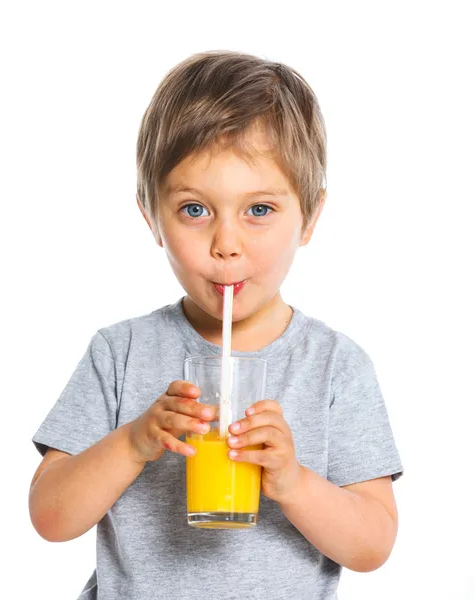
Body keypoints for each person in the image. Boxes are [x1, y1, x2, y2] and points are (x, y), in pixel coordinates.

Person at [29, 50, 403, 600]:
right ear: (151, 217)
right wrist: (133, 442)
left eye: (259, 210)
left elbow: (373, 544)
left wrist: (293, 483)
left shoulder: (335, 366)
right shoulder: (120, 351)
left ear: (311, 217)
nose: (227, 245)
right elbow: (49, 516)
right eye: (195, 210)